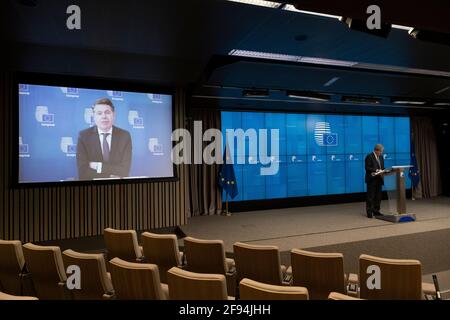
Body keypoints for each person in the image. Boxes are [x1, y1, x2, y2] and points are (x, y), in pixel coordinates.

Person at [77, 98, 132, 180]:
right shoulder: (84, 136)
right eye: (99, 113)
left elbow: (124, 171)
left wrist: (98, 166)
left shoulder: (124, 136)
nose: (104, 116)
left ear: (114, 114)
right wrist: (110, 176)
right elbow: (83, 172)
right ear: (94, 116)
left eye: (107, 112)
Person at [365, 144, 386, 218]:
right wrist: (376, 170)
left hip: (379, 179)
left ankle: (376, 211)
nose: (381, 153)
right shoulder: (369, 156)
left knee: (378, 197)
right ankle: (369, 212)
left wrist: (385, 171)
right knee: (371, 196)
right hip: (371, 180)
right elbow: (367, 168)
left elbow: (382, 167)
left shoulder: (381, 157)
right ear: (377, 150)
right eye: (381, 151)